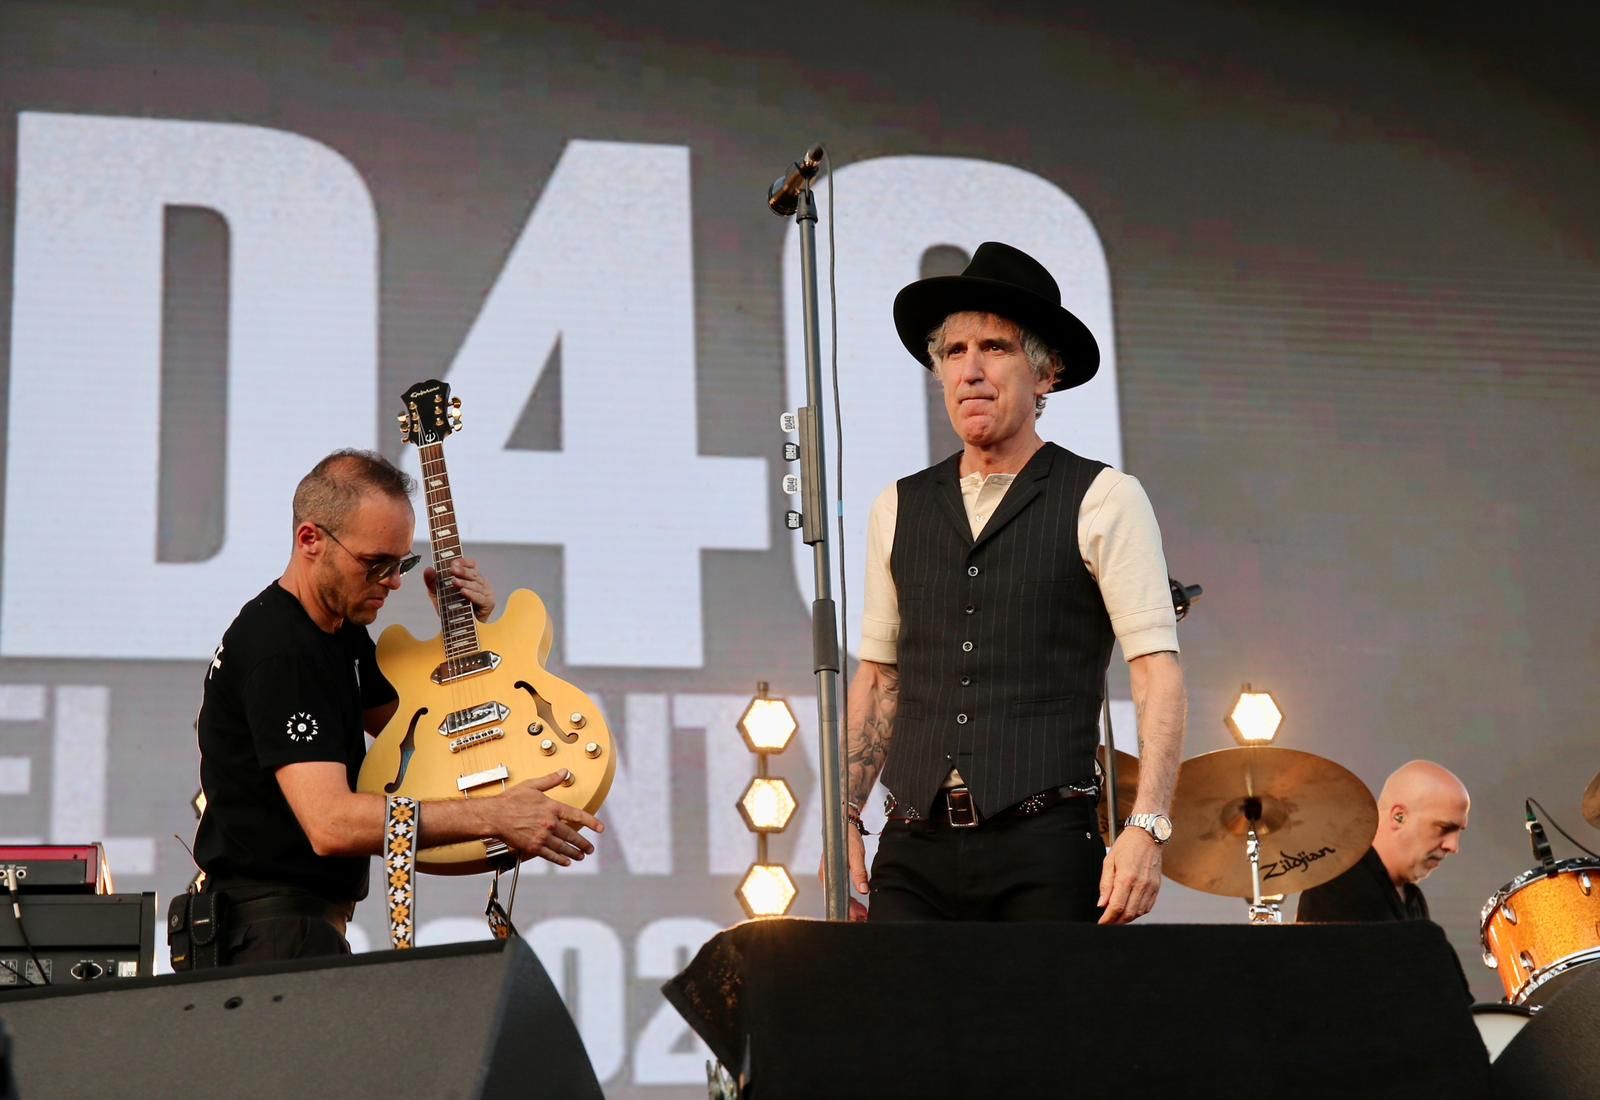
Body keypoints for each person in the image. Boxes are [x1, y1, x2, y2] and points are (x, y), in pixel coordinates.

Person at [838, 242, 1187, 924]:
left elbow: (1155, 672)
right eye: (953, 351)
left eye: (994, 348)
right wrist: (844, 815)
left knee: (1040, 1032)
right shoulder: (899, 507)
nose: (969, 370)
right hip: (913, 848)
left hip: (1044, 847)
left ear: (1045, 373)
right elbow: (879, 679)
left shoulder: (1103, 499)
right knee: (898, 1029)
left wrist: (1147, 826)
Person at [191, 449, 602, 965]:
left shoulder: (336, 632)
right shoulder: (281, 651)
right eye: (375, 563)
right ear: (310, 540)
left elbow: (429, 744)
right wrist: (495, 815)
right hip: (271, 933)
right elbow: (332, 824)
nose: (393, 580)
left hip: (298, 927)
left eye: (402, 562)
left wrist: (468, 639)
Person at [1296, 760, 1469, 922]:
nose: (1453, 846)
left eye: (1458, 831)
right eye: (1443, 828)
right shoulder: (1334, 889)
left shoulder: (1414, 899)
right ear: (1398, 816)